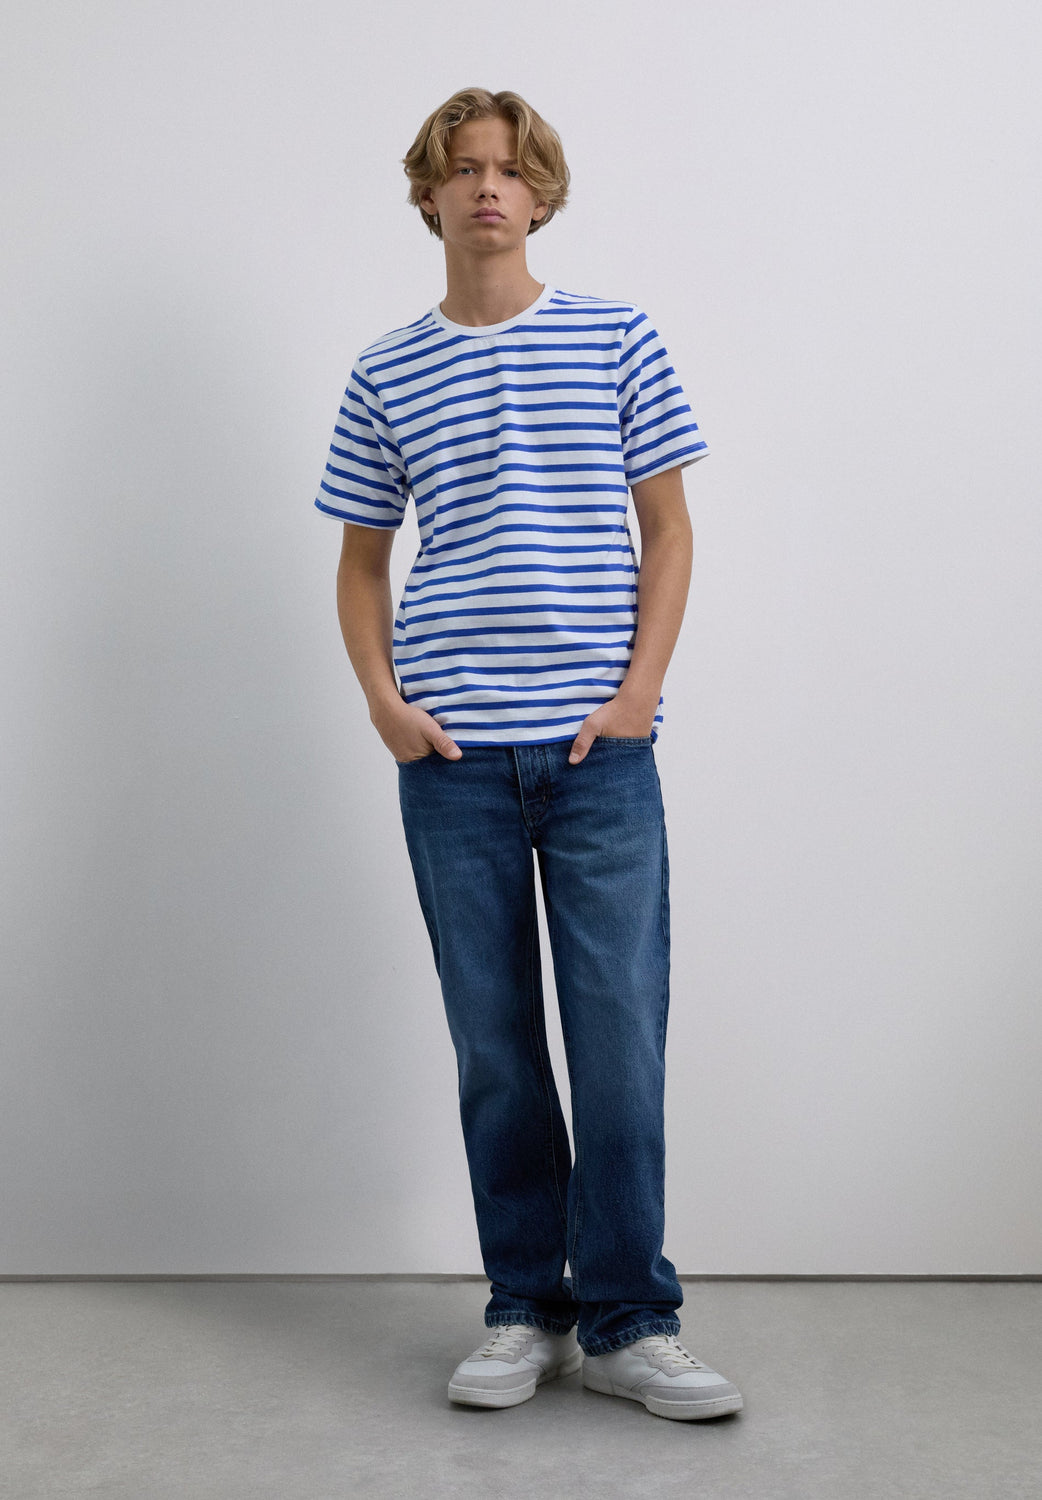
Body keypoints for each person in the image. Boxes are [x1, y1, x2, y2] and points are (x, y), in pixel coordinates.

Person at [315, 86, 743, 1422]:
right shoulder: (386, 370)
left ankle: (628, 1320)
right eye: (462, 169)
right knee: (495, 1047)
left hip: (598, 754)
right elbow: (361, 561)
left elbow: (668, 528)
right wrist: (384, 702)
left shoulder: (615, 337)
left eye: (508, 169)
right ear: (428, 195)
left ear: (541, 194)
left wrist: (639, 693)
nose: (486, 187)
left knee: (618, 1044)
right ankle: (525, 1309)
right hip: (452, 762)